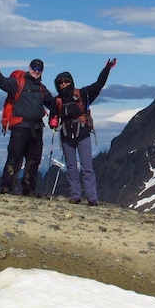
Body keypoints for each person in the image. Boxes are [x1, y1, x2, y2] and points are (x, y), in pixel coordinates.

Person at [0, 53, 56, 197]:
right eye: (34, 68)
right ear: (29, 68)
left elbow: (53, 104)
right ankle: (6, 186)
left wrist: (56, 114)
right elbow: (0, 81)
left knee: (34, 159)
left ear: (42, 71)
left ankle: (29, 189)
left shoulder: (42, 89)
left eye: (39, 69)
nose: (36, 71)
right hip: (20, 127)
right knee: (14, 157)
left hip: (36, 128)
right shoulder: (18, 83)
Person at [50, 59, 116, 206]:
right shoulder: (60, 100)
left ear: (70, 82)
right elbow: (53, 116)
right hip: (73, 135)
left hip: (74, 135)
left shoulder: (81, 94)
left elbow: (99, 84)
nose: (63, 85)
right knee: (74, 167)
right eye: (60, 83)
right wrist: (52, 121)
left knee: (84, 167)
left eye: (66, 82)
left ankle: (89, 198)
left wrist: (107, 69)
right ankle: (80, 197)